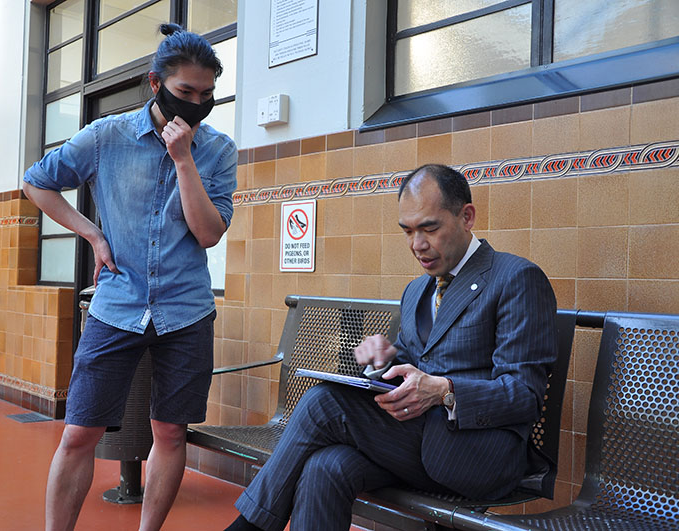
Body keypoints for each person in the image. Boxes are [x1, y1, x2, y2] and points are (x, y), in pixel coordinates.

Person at [226, 164, 558, 531]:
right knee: (327, 467)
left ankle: (250, 526)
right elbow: (416, 363)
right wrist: (386, 358)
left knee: (324, 403)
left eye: (429, 228)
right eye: (408, 231)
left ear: (467, 217)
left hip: (479, 454)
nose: (417, 244)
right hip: (416, 445)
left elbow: (525, 395)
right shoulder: (418, 290)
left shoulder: (515, 278)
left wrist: (445, 392)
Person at [23, 23, 237, 531]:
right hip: (116, 304)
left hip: (186, 310)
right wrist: (94, 235)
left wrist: (184, 160)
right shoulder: (106, 137)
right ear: (155, 82)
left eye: (207, 95)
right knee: (79, 432)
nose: (196, 103)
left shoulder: (218, 150)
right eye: (185, 91)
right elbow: (37, 183)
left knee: (169, 431)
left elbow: (208, 234)